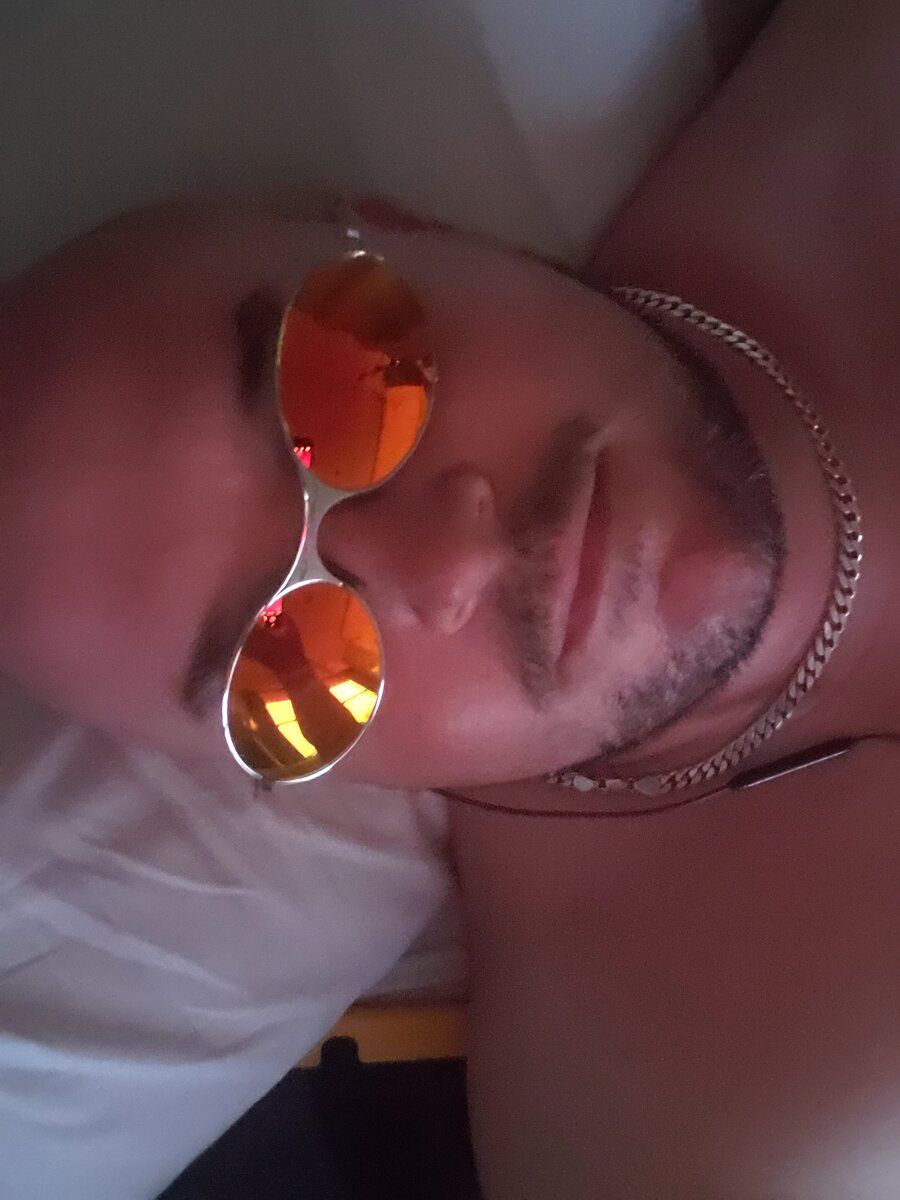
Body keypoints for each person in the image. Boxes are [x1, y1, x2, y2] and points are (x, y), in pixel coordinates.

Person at [0, 0, 897, 1195]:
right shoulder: (713, 1141)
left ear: (409, 230)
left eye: (340, 387)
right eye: (289, 667)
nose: (451, 560)